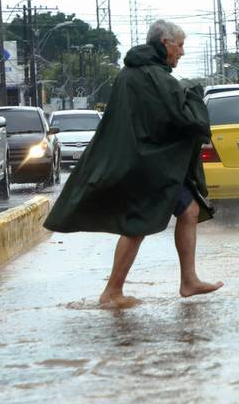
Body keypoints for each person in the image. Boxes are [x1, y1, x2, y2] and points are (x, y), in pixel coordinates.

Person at [44, 19, 223, 308]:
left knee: (188, 210)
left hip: (143, 160)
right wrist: (193, 93)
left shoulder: (135, 72)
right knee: (138, 225)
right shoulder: (153, 76)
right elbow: (181, 116)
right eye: (180, 45)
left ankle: (188, 280)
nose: (183, 52)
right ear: (165, 43)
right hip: (147, 164)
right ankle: (112, 292)